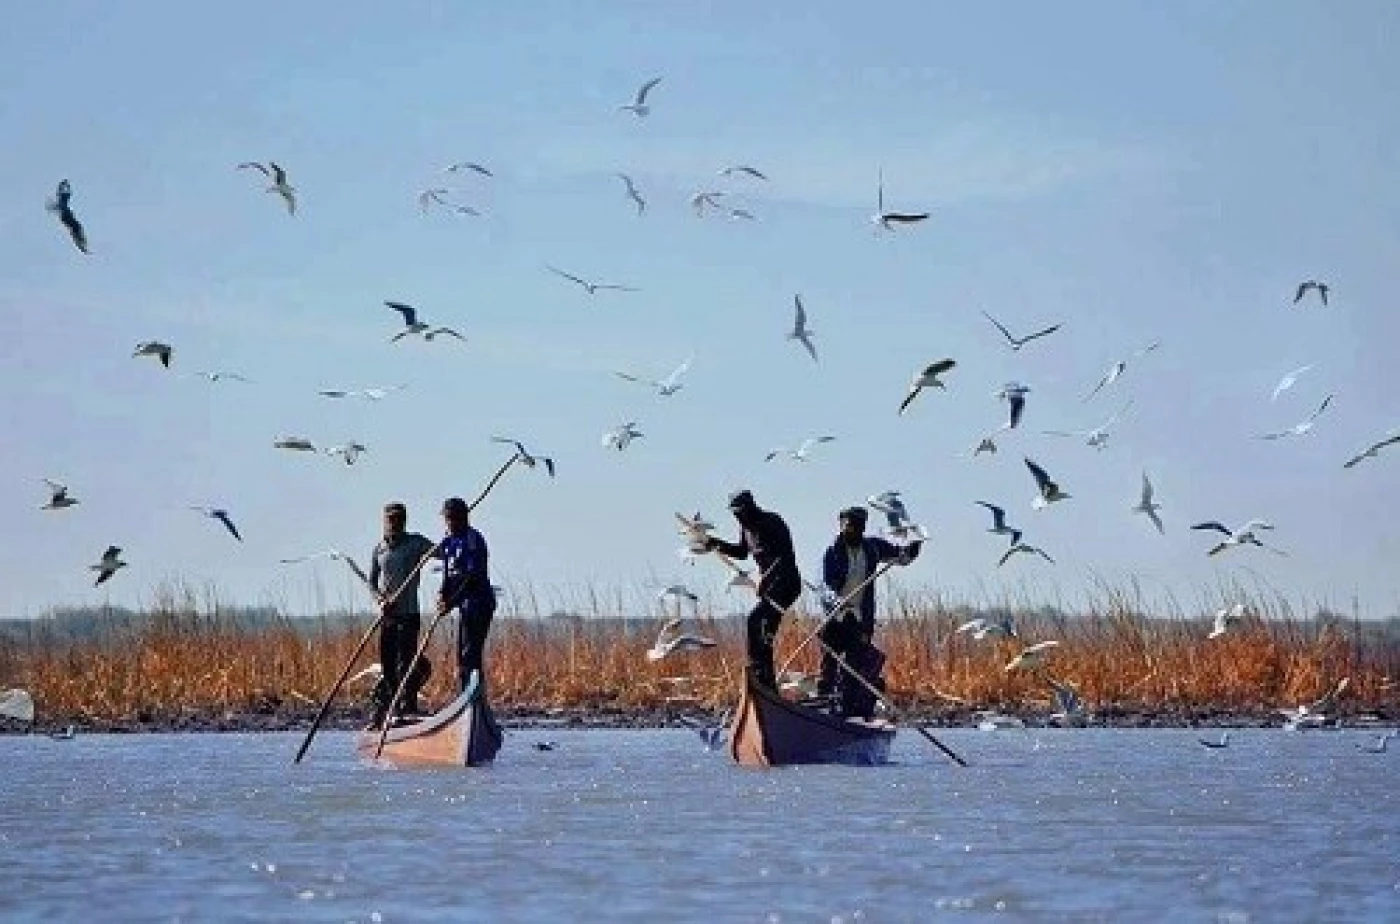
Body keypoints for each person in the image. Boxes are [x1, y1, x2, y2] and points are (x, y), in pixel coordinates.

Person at [819, 506, 921, 716]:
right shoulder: (832, 551)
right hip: (835, 617)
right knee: (829, 664)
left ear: (863, 527)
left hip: (860, 619)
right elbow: (825, 586)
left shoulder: (872, 547)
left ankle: (848, 712)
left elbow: (899, 556)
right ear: (841, 526)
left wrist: (911, 551)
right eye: (849, 526)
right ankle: (823, 708)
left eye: (858, 526)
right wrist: (836, 600)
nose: (853, 530)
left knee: (854, 666)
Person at [704, 490, 802, 690]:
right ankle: (765, 681)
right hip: (769, 588)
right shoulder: (745, 528)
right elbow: (741, 553)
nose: (738, 518)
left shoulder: (772, 522)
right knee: (765, 633)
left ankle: (758, 671)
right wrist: (714, 543)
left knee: (755, 619)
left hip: (786, 583)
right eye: (734, 514)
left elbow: (784, 556)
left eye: (740, 512)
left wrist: (765, 580)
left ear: (750, 507)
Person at [367, 502, 436, 727]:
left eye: (399, 518)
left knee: (406, 661)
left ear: (404, 520)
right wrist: (380, 600)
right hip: (388, 616)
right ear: (384, 521)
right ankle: (390, 706)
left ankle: (409, 703)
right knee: (388, 664)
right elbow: (371, 582)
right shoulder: (379, 549)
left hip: (409, 613)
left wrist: (446, 542)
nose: (395, 522)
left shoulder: (415, 542)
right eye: (391, 519)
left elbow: (442, 552)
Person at [436, 497, 497, 693]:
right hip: (463, 606)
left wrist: (452, 602)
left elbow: (472, 577)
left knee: (471, 653)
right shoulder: (447, 542)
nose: (449, 522)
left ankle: (473, 698)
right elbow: (448, 575)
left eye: (453, 518)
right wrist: (442, 596)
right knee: (462, 656)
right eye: (447, 518)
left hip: (479, 603)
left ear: (463, 517)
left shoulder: (473, 540)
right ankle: (465, 696)